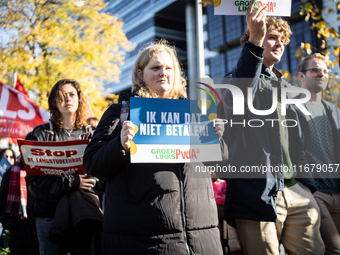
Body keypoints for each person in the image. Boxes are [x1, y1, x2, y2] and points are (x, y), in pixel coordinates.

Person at [83, 39, 224, 255]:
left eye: (169, 68)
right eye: (155, 68)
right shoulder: (120, 113)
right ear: (140, 74)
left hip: (201, 239)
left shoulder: (195, 114)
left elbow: (221, 165)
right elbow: (92, 163)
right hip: (144, 243)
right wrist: (120, 145)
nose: (163, 73)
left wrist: (218, 140)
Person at [217, 0, 324, 254]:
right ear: (251, 41)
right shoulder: (232, 81)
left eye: (282, 40)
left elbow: (301, 142)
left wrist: (307, 187)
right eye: (271, 37)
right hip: (257, 196)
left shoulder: (288, 90)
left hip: (297, 192)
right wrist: (256, 38)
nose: (279, 44)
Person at [27, 79, 97, 255]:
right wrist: (73, 182)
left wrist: (92, 181)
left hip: (85, 213)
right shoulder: (40, 134)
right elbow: (37, 183)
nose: (67, 99)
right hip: (48, 215)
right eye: (61, 96)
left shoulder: (92, 133)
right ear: (53, 101)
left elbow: (101, 174)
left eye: (72, 94)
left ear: (79, 99)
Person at [297, 53, 340, 255]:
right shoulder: (292, 108)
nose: (321, 74)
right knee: (334, 249)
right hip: (316, 193)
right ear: (301, 76)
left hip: (337, 192)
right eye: (315, 70)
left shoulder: (333, 110)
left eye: (324, 71)